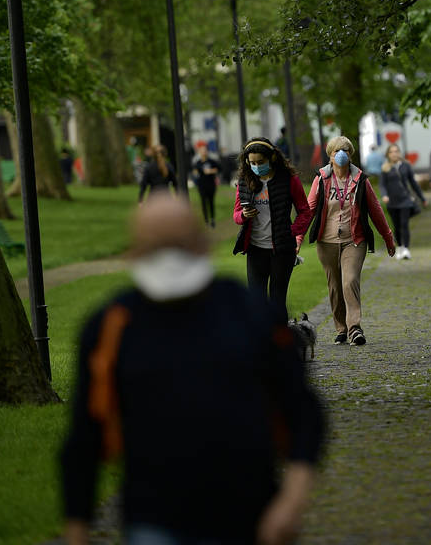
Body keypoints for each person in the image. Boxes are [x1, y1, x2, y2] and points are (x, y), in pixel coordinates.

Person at [61, 194, 324, 545]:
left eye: (178, 243)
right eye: (158, 245)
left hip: (250, 517)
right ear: (135, 251)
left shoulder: (252, 314)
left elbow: (303, 413)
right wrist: (76, 527)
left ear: (200, 244)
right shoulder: (111, 326)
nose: (169, 256)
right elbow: (85, 434)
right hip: (153, 520)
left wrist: (291, 502)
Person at [306, 136, 396, 346]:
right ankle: (341, 328)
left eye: (345, 150)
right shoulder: (321, 179)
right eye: (337, 150)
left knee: (350, 281)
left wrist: (388, 238)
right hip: (326, 242)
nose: (341, 154)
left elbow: (376, 211)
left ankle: (355, 328)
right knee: (335, 287)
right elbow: (309, 210)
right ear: (329, 155)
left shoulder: (360, 180)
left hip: (354, 240)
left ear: (351, 154)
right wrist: (298, 238)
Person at [232, 138, 313, 314]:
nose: (256, 166)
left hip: (282, 250)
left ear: (272, 158)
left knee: (277, 300)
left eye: (260, 162)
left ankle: (281, 340)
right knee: (257, 302)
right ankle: (262, 341)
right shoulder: (245, 182)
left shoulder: (289, 180)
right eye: (252, 162)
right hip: (255, 249)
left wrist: (292, 231)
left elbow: (305, 212)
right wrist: (244, 215)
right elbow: (236, 216)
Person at [379, 143, 426, 260]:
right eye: (391, 152)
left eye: (396, 151)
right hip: (392, 202)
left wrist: (422, 198)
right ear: (388, 154)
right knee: (396, 226)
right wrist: (384, 195)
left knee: (404, 224)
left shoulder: (406, 166)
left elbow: (413, 183)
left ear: (399, 153)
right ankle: (399, 247)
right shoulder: (385, 168)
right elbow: (382, 185)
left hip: (405, 200)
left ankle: (406, 249)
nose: (394, 154)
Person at [191, 141, 221, 229]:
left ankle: (212, 220)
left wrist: (211, 171)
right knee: (203, 203)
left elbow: (219, 169)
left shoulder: (212, 161)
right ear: (199, 152)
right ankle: (206, 221)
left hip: (211, 185)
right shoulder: (198, 163)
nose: (204, 152)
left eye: (205, 150)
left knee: (211, 202)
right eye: (202, 150)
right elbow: (195, 172)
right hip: (202, 185)